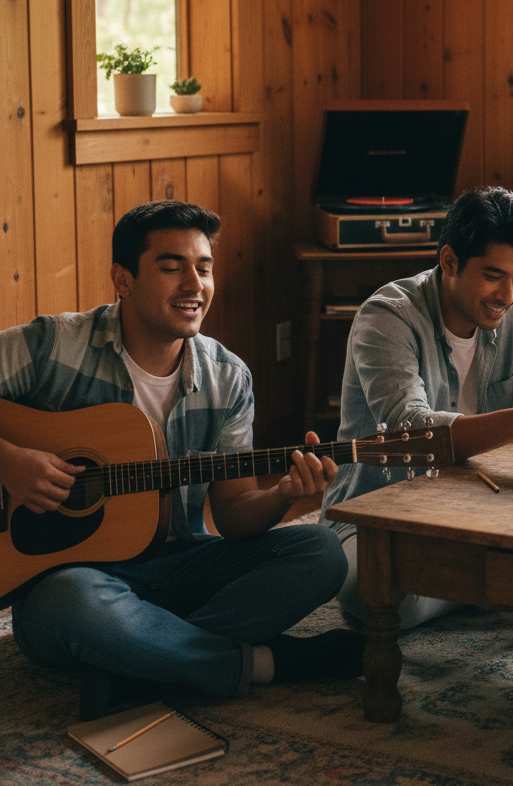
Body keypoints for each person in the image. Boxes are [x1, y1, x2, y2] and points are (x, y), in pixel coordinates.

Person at [0, 200, 361, 719]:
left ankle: (138, 655)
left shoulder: (228, 378)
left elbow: (234, 514)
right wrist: (10, 462)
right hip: (73, 581)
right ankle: (261, 663)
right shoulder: (54, 346)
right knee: (68, 603)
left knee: (321, 551)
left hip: (180, 569)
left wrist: (284, 496)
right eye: (172, 268)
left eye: (205, 267)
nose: (195, 284)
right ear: (122, 280)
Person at [320, 186, 513, 628]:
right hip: (379, 519)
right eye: (493, 275)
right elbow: (412, 431)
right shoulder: (387, 316)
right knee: (388, 598)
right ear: (449, 261)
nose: (508, 294)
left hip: (481, 508)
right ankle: (504, 583)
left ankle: (483, 579)